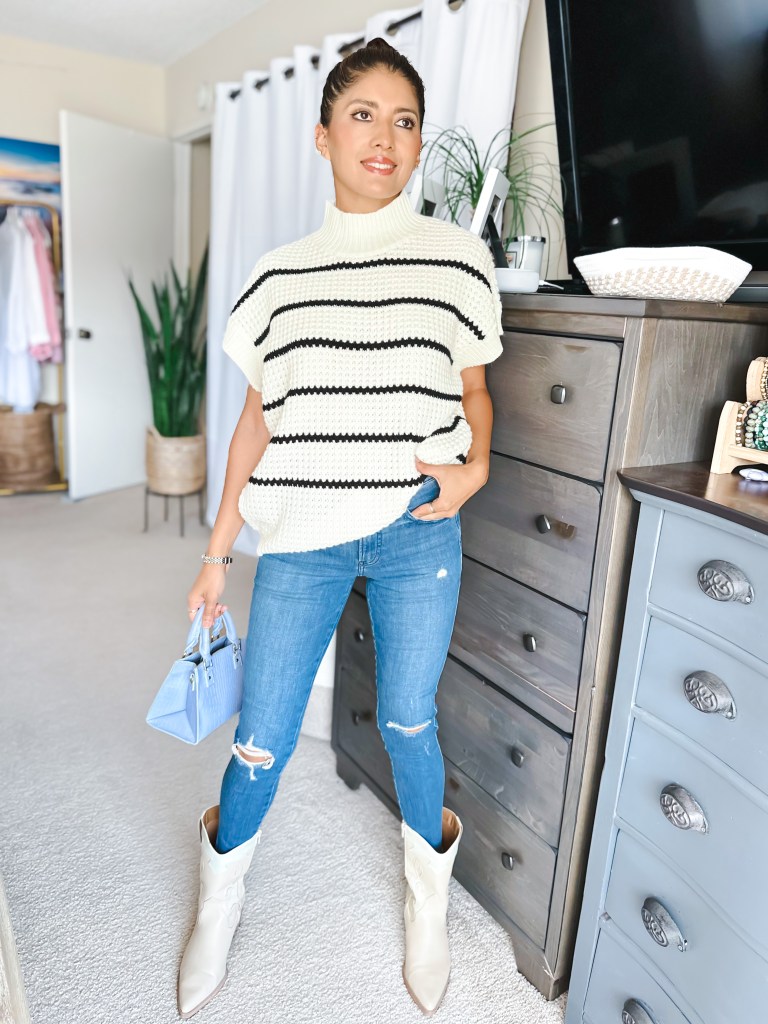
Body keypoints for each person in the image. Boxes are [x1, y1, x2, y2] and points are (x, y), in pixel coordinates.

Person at [177, 36, 504, 1021]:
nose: (386, 137)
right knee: (262, 737)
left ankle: (426, 906)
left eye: (405, 121)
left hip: (416, 524)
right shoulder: (279, 278)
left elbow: (475, 394)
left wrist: (476, 469)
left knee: (408, 719)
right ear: (323, 137)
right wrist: (215, 552)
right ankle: (218, 904)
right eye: (364, 115)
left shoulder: (457, 260)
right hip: (303, 530)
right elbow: (254, 421)